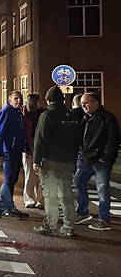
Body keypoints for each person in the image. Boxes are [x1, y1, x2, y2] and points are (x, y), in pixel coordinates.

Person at [32, 86, 84, 236]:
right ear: (62, 99)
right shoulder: (72, 116)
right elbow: (78, 141)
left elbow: (41, 140)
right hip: (68, 161)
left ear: (48, 100)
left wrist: (36, 160)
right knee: (67, 194)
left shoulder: (47, 115)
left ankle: (50, 224)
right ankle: (69, 226)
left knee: (51, 195)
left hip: (51, 161)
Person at [74, 92, 120, 231]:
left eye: (86, 102)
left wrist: (105, 157)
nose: (83, 105)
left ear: (96, 103)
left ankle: (104, 219)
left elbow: (113, 139)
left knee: (102, 189)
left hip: (100, 160)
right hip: (85, 158)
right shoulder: (84, 117)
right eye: (82, 103)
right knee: (78, 182)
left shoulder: (107, 118)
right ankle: (82, 212)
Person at [0, 90, 29, 219]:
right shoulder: (6, 112)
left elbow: (20, 133)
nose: (18, 101)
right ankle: (4, 208)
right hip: (8, 152)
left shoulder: (17, 112)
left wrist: (25, 148)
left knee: (13, 180)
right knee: (8, 180)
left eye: (20, 98)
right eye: (15, 98)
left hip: (16, 151)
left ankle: (8, 206)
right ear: (9, 100)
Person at [21, 93, 45, 209]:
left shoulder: (42, 114)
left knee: (38, 176)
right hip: (29, 148)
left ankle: (38, 200)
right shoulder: (23, 115)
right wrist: (26, 148)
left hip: (39, 148)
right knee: (31, 175)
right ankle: (32, 199)